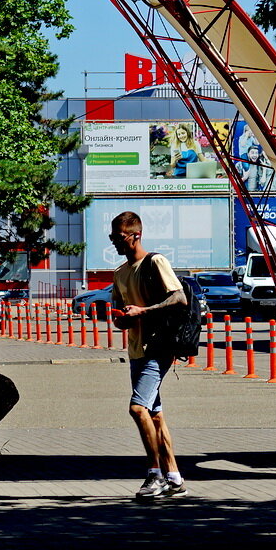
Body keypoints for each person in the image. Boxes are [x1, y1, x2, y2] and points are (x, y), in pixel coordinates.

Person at [109, 211, 189, 500]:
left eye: (119, 238)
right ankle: (175, 478)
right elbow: (121, 312)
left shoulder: (155, 261)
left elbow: (179, 298)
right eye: (112, 238)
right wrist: (122, 319)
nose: (115, 243)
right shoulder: (119, 273)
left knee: (137, 409)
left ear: (136, 235)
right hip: (136, 349)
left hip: (159, 348)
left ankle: (154, 475)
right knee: (154, 415)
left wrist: (144, 311)